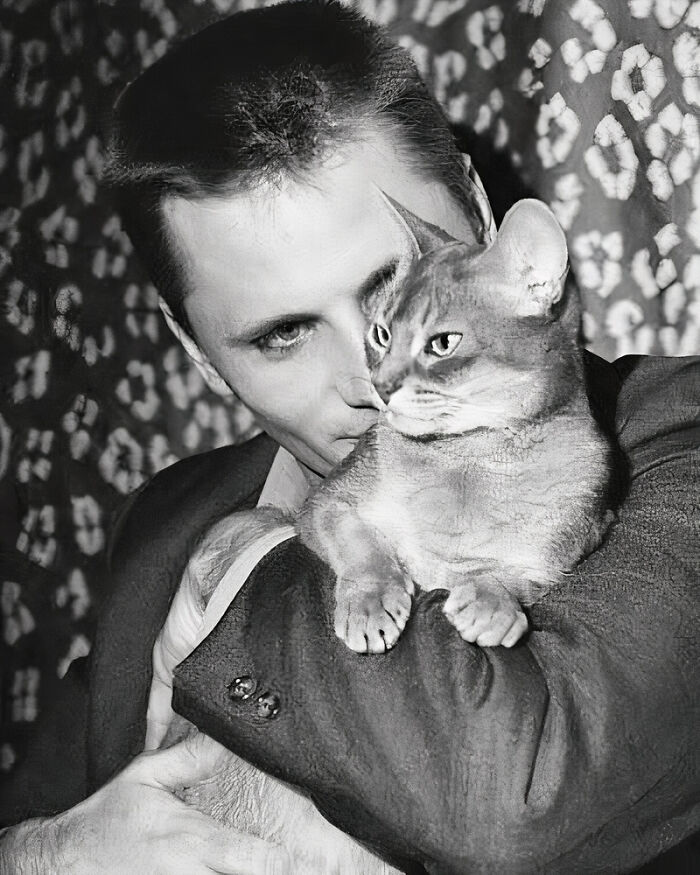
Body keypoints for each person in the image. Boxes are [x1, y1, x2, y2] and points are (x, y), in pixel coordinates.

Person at [2, 1, 699, 872]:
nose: (373, 383)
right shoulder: (164, 521)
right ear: (200, 354)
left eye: (387, 290)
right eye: (283, 335)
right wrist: (47, 852)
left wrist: (245, 561)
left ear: (480, 219)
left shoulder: (677, 439)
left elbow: (515, 805)